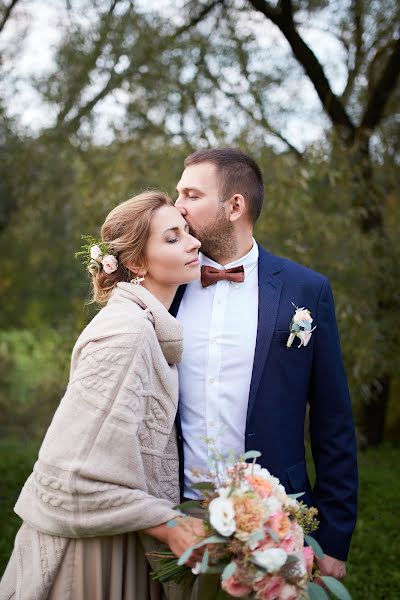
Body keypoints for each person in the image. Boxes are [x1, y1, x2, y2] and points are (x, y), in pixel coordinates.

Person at [0, 191, 204, 600]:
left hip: (119, 540)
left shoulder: (141, 327)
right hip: (93, 560)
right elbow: (69, 477)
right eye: (172, 237)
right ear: (135, 264)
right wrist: (169, 525)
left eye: (188, 232)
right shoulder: (125, 333)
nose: (194, 242)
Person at [171, 148, 358, 585]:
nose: (176, 206)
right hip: (176, 517)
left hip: (277, 519)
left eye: (191, 195)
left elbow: (333, 422)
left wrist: (333, 538)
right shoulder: (165, 283)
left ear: (234, 205)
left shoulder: (306, 290)